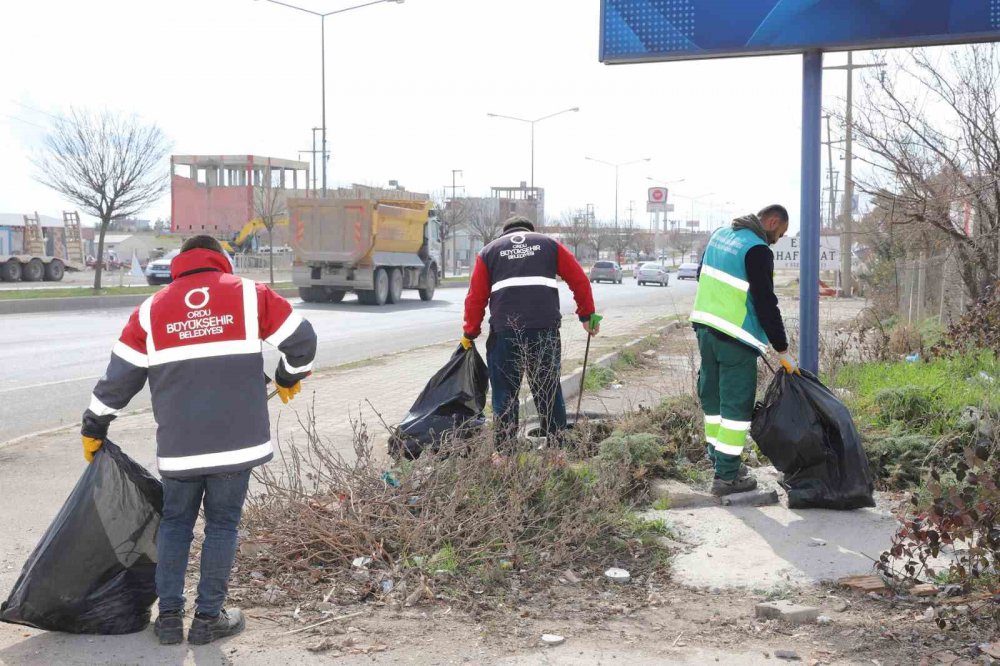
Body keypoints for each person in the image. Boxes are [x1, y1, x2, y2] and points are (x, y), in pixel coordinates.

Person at [80, 235, 317, 645]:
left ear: (180, 263)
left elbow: (119, 377)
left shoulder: (151, 310)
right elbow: (303, 341)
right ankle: (208, 620)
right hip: (236, 443)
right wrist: (287, 375)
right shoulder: (250, 294)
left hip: (180, 448)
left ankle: (169, 619)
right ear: (221, 260)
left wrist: (94, 425)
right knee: (222, 526)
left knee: (176, 524)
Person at [461, 216, 599, 450]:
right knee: (547, 389)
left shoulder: (489, 251)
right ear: (530, 230)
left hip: (505, 333)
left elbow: (475, 297)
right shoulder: (549, 245)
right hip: (544, 329)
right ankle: (557, 449)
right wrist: (587, 316)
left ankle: (504, 453)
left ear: (504, 232)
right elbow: (579, 280)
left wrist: (470, 333)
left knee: (505, 393)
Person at [689, 205, 799, 497]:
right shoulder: (757, 249)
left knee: (713, 401)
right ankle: (727, 477)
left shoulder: (719, 236)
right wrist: (781, 347)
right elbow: (765, 302)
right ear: (772, 221)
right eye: (780, 233)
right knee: (736, 408)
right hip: (735, 339)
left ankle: (720, 462)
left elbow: (702, 276)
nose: (776, 240)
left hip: (705, 329)